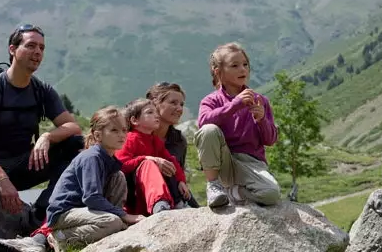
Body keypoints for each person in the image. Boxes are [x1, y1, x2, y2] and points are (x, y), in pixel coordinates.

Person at [0, 24, 85, 252]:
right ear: (12, 49)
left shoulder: (42, 90)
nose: (38, 52)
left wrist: (47, 136)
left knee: (76, 146)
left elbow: (73, 127)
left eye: (42, 48)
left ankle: (39, 218)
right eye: (31, 46)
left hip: (24, 161)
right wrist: (2, 180)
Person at [0, 106, 145, 252]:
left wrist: (121, 217)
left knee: (118, 178)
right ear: (98, 136)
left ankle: (110, 225)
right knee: (112, 222)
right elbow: (92, 198)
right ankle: (57, 238)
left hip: (84, 212)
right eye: (114, 130)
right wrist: (124, 216)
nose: (122, 135)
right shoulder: (92, 158)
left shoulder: (109, 162)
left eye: (124, 130)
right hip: (64, 213)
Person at [194, 42, 281, 208]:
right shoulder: (211, 100)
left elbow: (270, 140)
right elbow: (203, 124)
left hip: (251, 164)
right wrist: (235, 105)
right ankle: (214, 185)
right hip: (223, 162)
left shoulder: (260, 100)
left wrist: (262, 120)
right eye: (234, 65)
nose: (242, 69)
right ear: (218, 72)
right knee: (208, 130)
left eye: (245, 64)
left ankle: (234, 193)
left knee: (271, 193)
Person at [115, 99, 191, 215]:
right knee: (149, 164)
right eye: (150, 112)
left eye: (156, 112)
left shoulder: (155, 140)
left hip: (146, 192)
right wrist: (146, 159)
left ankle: (177, 202)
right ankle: (159, 204)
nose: (156, 116)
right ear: (135, 120)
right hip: (133, 194)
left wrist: (181, 180)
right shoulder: (130, 138)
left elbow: (171, 160)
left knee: (166, 165)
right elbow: (120, 164)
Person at [145, 82, 200, 208]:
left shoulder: (179, 141)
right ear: (155, 103)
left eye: (181, 104)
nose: (179, 109)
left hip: (174, 198)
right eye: (173, 103)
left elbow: (178, 179)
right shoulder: (137, 136)